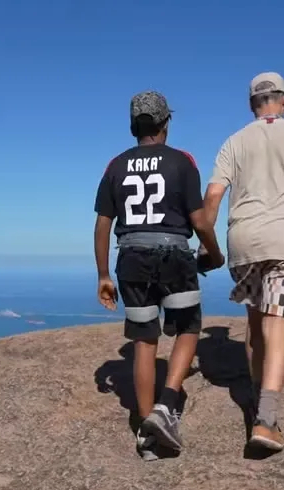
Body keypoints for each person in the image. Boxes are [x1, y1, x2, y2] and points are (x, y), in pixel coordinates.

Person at [201, 72, 284, 452]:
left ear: (251, 104)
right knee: (278, 326)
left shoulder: (234, 141)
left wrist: (206, 246)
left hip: (243, 240)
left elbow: (213, 196)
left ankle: (258, 395)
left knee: (256, 321)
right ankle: (266, 420)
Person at [93, 90, 224, 460]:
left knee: (144, 342)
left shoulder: (115, 166)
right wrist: (214, 253)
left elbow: (103, 224)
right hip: (174, 257)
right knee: (188, 327)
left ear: (133, 127)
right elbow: (199, 220)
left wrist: (103, 274)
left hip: (131, 258)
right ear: (166, 123)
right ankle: (166, 406)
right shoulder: (183, 161)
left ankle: (146, 434)